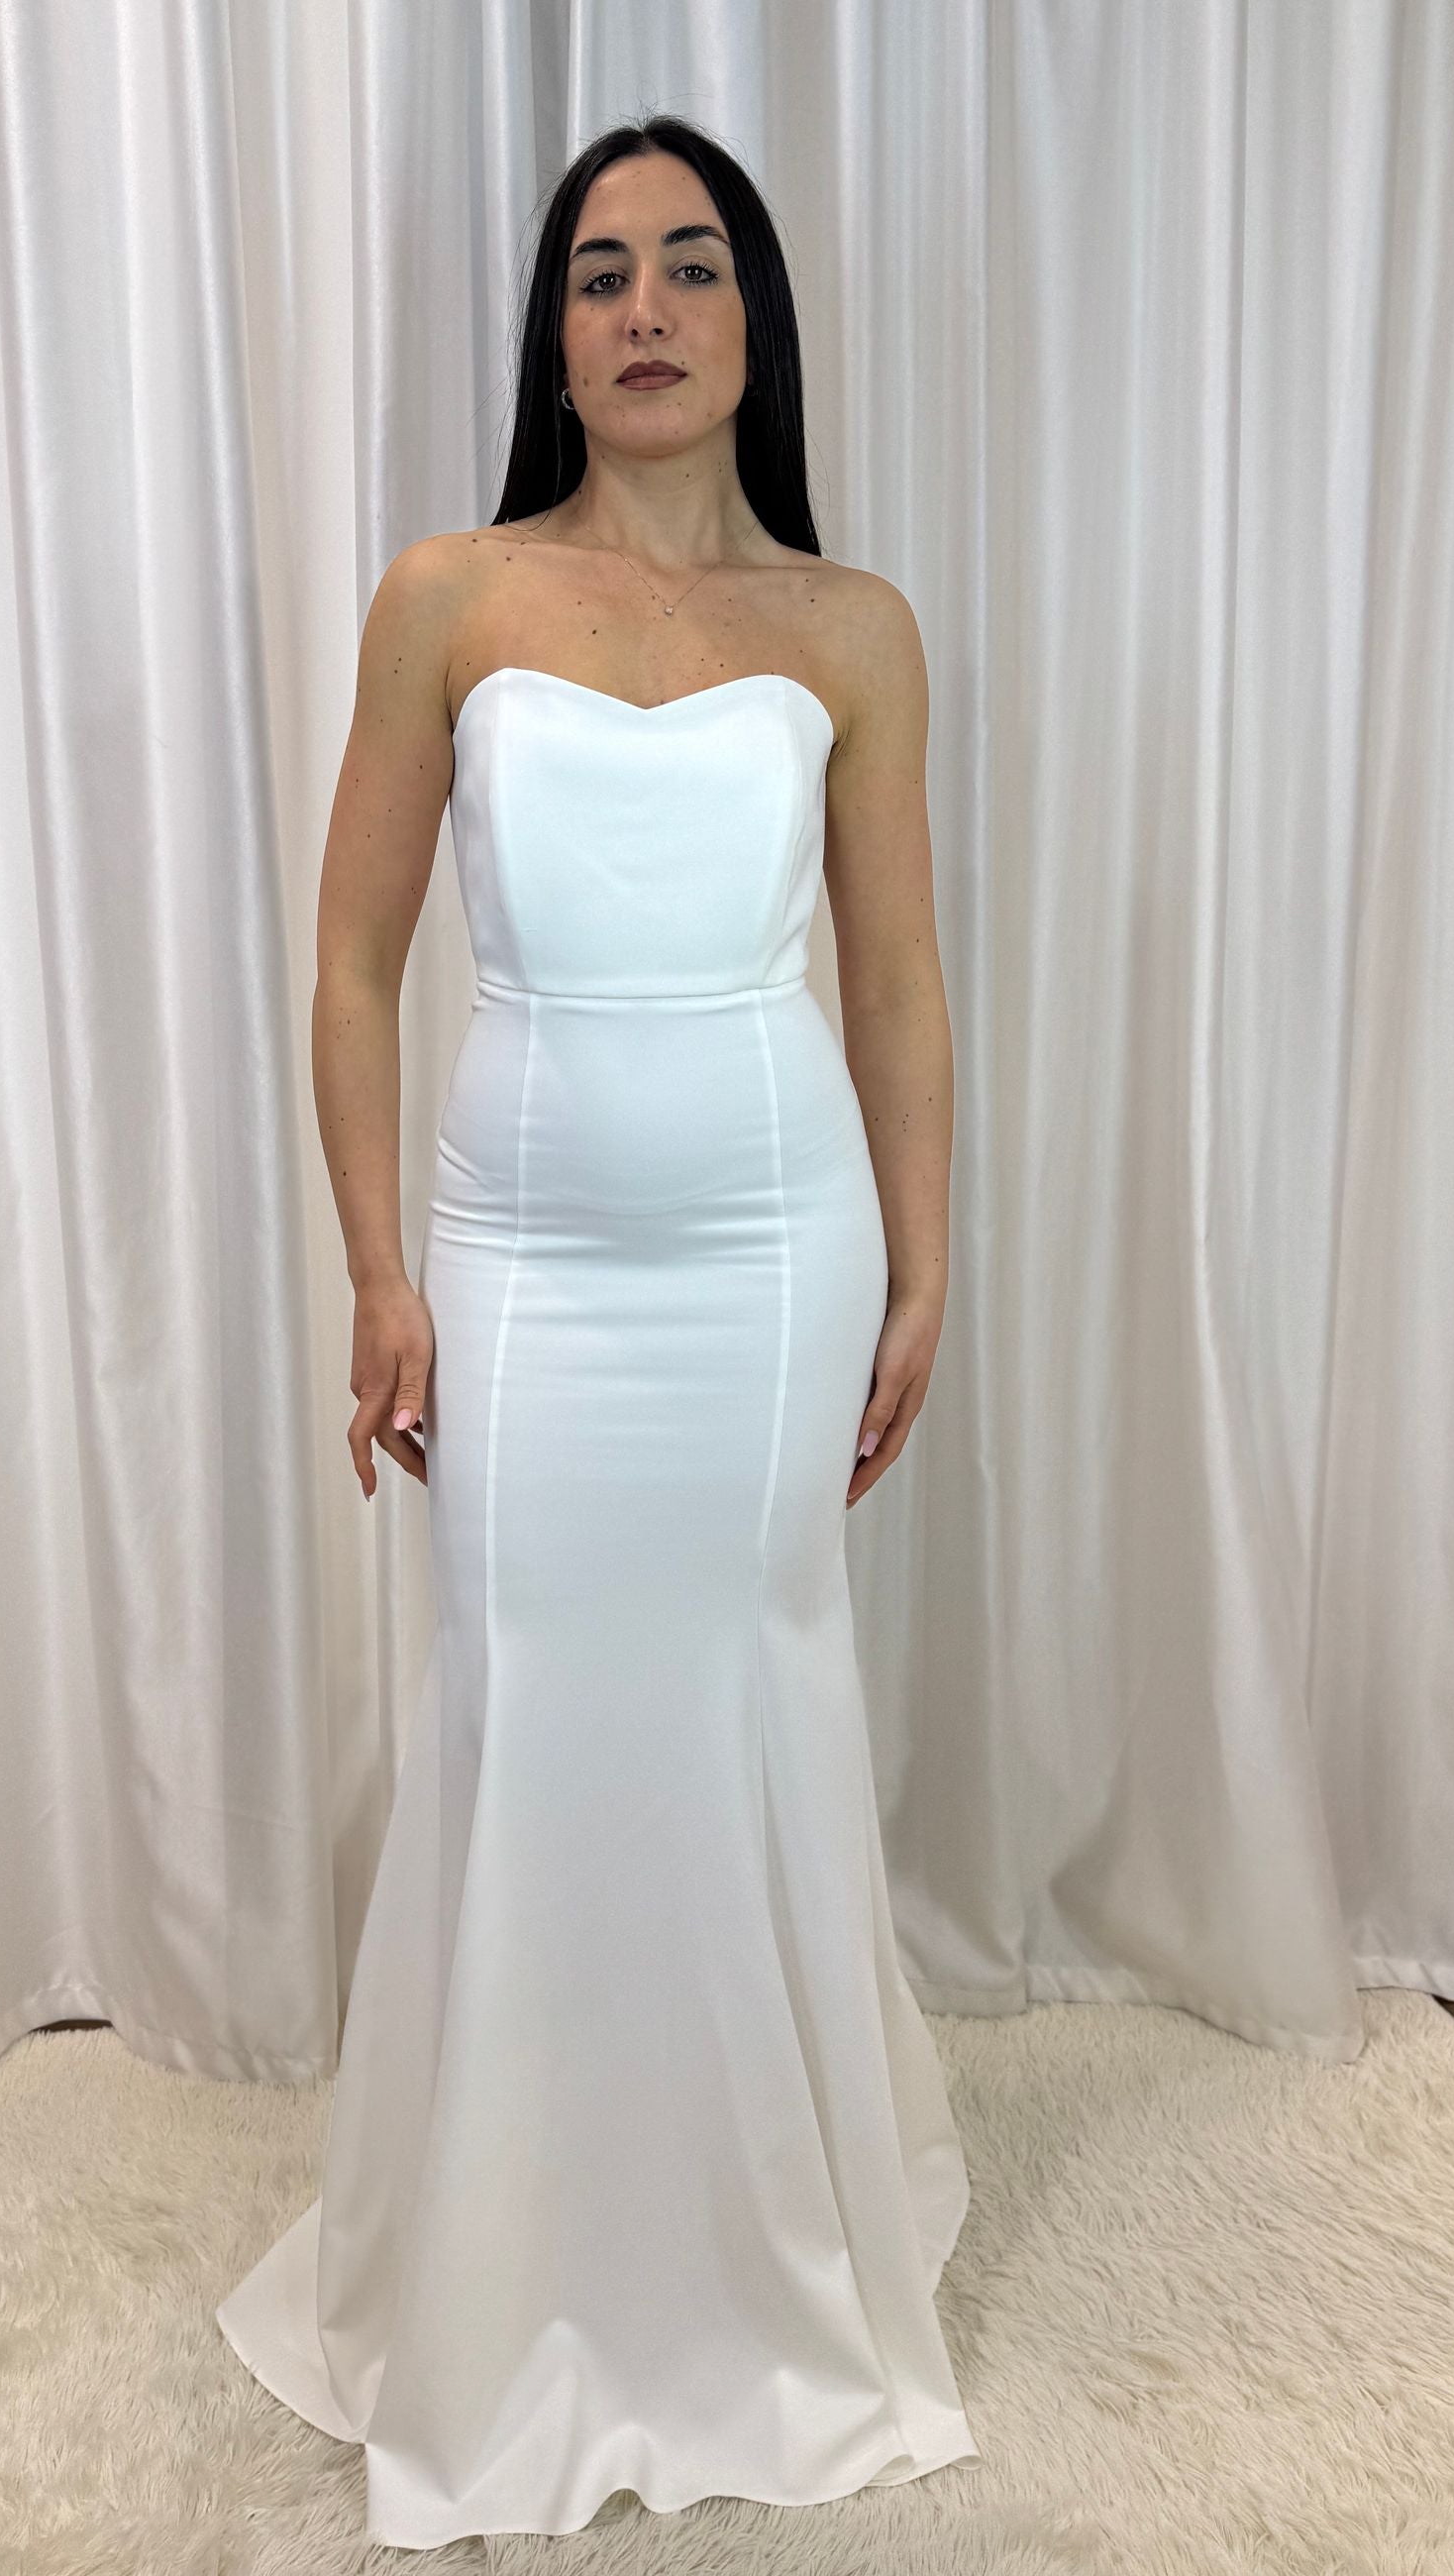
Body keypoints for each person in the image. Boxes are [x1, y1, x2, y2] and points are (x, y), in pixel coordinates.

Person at [217, 112, 976, 2549]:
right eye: (599, 273)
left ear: (756, 321)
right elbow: (350, 962)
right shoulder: (447, 596)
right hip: (523, 1265)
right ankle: (507, 2274)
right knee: (527, 1708)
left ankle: (763, 2267)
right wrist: (378, 1269)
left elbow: (896, 981)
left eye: (691, 266)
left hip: (772, 1259)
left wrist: (925, 1258)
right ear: (554, 337)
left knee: (749, 1695)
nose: (645, 307)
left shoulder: (853, 630)